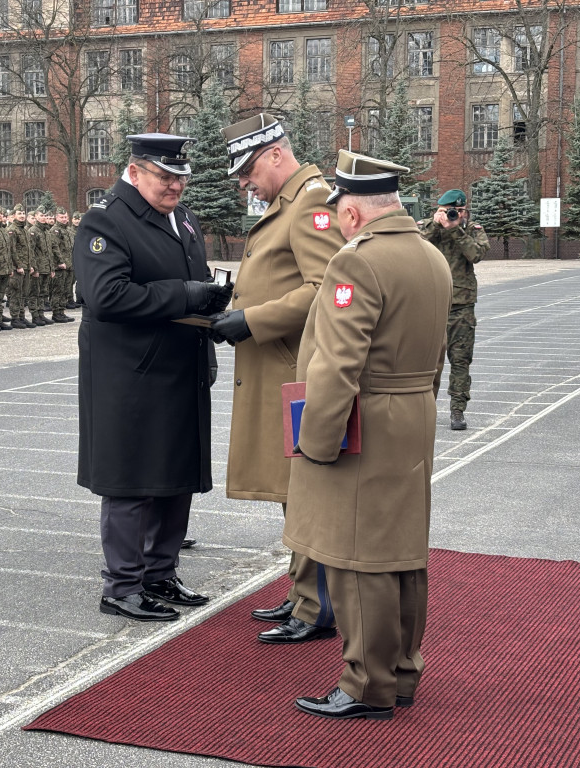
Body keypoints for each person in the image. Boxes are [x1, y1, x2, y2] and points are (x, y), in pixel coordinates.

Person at [284, 150, 452, 720]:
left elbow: (336, 365)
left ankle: (366, 684)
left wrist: (317, 439)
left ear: (352, 213)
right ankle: (402, 673)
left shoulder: (357, 263)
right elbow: (437, 355)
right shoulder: (432, 257)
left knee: (356, 558)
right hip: (413, 413)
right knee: (402, 553)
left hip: (366, 419)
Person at [74, 133, 231, 622]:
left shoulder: (182, 218)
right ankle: (122, 585)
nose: (176, 186)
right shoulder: (106, 220)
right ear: (135, 170)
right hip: (131, 375)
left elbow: (195, 283)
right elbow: (107, 296)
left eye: (181, 178)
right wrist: (184, 294)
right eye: (166, 177)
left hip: (179, 367)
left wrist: (208, 317)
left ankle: (160, 573)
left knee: (175, 475)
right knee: (131, 481)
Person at [211, 112, 345, 645]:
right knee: (295, 489)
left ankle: (317, 607)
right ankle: (301, 591)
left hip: (293, 372)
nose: (244, 182)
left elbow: (326, 286)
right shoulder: (285, 202)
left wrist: (253, 320)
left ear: (273, 154)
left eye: (247, 170)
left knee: (305, 488)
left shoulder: (310, 201)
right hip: (277, 368)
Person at [418, 189, 489, 430]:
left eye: (459, 211)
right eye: (449, 210)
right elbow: (414, 248)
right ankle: (423, 410)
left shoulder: (473, 230)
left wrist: (456, 229)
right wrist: (437, 225)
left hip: (461, 305)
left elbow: (476, 255)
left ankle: (457, 411)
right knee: (424, 362)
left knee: (460, 361)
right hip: (431, 304)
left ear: (465, 211)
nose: (454, 214)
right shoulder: (427, 227)